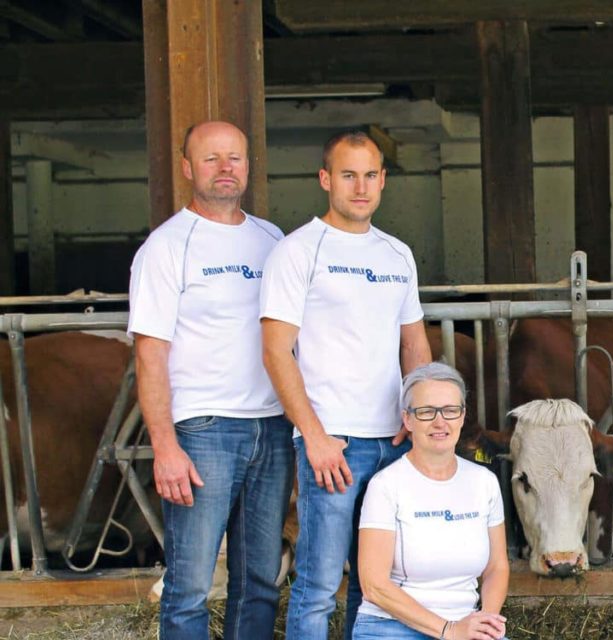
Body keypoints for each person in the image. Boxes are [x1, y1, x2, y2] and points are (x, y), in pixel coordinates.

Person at [261, 130, 432, 639]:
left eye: (370, 175)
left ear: (383, 181)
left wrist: (417, 418)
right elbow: (275, 350)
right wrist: (313, 436)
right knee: (316, 583)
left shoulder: (397, 254)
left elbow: (415, 347)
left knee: (376, 582)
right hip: (332, 443)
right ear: (325, 179)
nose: (361, 186)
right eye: (348, 175)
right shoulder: (298, 251)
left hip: (393, 442)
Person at [128, 120, 292, 639]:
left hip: (271, 426)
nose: (226, 168)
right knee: (190, 585)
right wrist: (165, 445)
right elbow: (150, 355)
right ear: (187, 168)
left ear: (248, 164)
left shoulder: (274, 241)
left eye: (235, 157)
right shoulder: (168, 246)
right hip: (203, 431)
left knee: (260, 580)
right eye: (211, 158)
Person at [352, 362, 509, 640]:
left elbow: (497, 567)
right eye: (426, 412)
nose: (440, 422)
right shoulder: (386, 485)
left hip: (465, 624)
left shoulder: (484, 481)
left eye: (450, 410)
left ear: (462, 417)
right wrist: (449, 631)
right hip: (390, 626)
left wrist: (485, 623)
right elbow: (373, 584)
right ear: (408, 420)